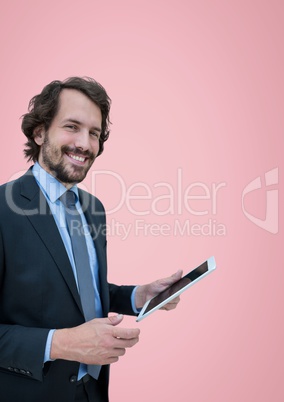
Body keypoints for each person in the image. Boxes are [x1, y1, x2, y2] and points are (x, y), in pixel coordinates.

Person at [0, 77, 182, 402]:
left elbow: (80, 290)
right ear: (40, 132)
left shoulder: (92, 208)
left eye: (94, 133)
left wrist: (138, 296)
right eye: (72, 126)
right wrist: (60, 343)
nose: (85, 144)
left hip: (92, 392)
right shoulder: (4, 208)